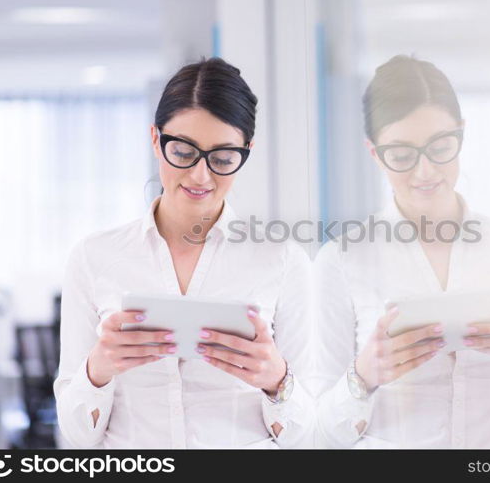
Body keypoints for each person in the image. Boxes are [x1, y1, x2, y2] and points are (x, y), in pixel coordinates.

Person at [54, 57, 314, 448]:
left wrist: (277, 381)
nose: (200, 176)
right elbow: (76, 437)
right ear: (156, 140)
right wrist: (97, 370)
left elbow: (307, 435)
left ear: (247, 151)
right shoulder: (94, 257)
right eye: (183, 151)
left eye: (223, 158)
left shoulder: (282, 259)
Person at [314, 55, 490, 448]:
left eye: (441, 147)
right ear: (374, 152)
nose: (425, 171)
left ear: (461, 134)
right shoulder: (343, 260)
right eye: (401, 155)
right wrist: (363, 375)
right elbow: (319, 434)